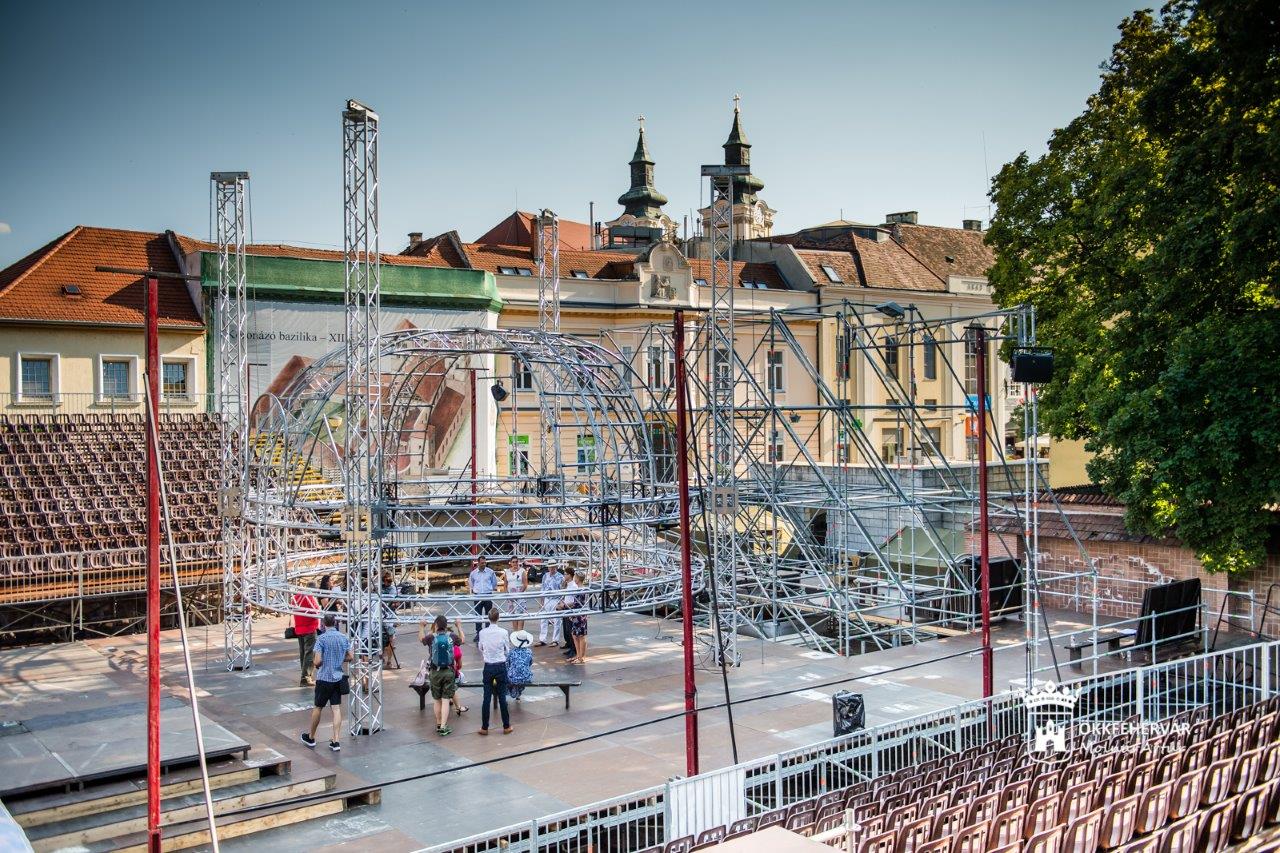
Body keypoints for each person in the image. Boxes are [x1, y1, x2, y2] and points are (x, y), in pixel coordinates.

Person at [302, 613, 352, 752]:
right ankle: (336, 740)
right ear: (335, 623)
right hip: (337, 677)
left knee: (318, 707)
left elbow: (317, 661)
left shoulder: (321, 639)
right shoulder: (343, 638)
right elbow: (350, 656)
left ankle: (311, 737)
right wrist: (338, 659)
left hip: (324, 678)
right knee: (336, 709)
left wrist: (320, 663)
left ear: (323, 624)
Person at [418, 615, 458, 736]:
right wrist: (459, 626)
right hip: (448, 671)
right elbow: (463, 639)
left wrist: (421, 626)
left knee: (437, 700)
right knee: (446, 700)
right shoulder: (451, 636)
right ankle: (444, 726)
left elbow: (421, 639)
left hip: (435, 672)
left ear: (436, 625)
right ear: (446, 626)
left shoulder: (431, 637)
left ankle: (438, 723)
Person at [476, 608, 512, 735]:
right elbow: (507, 649)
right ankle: (506, 725)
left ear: (488, 618)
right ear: (498, 618)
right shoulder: (503, 632)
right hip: (500, 665)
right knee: (502, 696)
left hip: (488, 665)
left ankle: (484, 727)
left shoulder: (482, 632)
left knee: (486, 697)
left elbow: (480, 647)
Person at [292, 582, 320, 686]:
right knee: (310, 653)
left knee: (303, 653)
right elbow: (316, 612)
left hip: (299, 628)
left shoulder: (296, 597)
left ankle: (304, 675)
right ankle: (305, 678)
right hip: (309, 628)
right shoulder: (310, 597)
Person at [536, 563, 564, 648]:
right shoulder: (545, 576)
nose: (551, 568)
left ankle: (555, 640)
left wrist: (561, 601)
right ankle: (542, 639)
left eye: (553, 567)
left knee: (557, 620)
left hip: (556, 599)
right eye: (550, 567)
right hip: (547, 599)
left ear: (556, 567)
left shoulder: (560, 577)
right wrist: (541, 602)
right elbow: (542, 588)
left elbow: (562, 589)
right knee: (543, 620)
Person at [469, 556, 497, 638]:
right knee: (478, 615)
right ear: (478, 563)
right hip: (477, 596)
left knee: (489, 614)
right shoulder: (473, 573)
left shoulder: (490, 572)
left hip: (488, 594)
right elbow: (471, 583)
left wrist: (488, 589)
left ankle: (488, 632)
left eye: (485, 563)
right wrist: (476, 590)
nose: (484, 564)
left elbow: (494, 582)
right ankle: (479, 633)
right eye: (482, 563)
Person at [567, 572, 590, 665]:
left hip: (580, 615)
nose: (574, 579)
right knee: (574, 635)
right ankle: (578, 655)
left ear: (578, 579)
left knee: (581, 636)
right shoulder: (578, 589)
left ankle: (582, 657)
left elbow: (578, 604)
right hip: (577, 614)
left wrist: (572, 613)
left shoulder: (582, 590)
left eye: (575, 577)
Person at [507, 630, 534, 700]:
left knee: (507, 673)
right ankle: (518, 691)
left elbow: (508, 664)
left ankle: (513, 691)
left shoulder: (512, 652)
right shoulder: (529, 651)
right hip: (526, 677)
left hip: (512, 677)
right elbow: (530, 663)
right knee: (523, 673)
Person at [504, 557, 528, 633]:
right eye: (513, 562)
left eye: (516, 562)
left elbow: (525, 584)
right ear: (510, 563)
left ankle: (520, 631)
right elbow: (505, 584)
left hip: (520, 595)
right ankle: (515, 632)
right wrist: (507, 594)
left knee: (520, 613)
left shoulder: (522, 571)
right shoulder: (507, 572)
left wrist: (519, 594)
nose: (515, 563)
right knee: (513, 614)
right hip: (510, 596)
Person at [560, 571, 580, 659]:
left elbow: (574, 600)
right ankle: (569, 645)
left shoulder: (574, 586)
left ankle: (574, 649)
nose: (564, 576)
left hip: (570, 609)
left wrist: (564, 605)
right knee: (566, 629)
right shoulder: (568, 584)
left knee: (570, 629)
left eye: (565, 574)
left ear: (569, 575)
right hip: (566, 608)